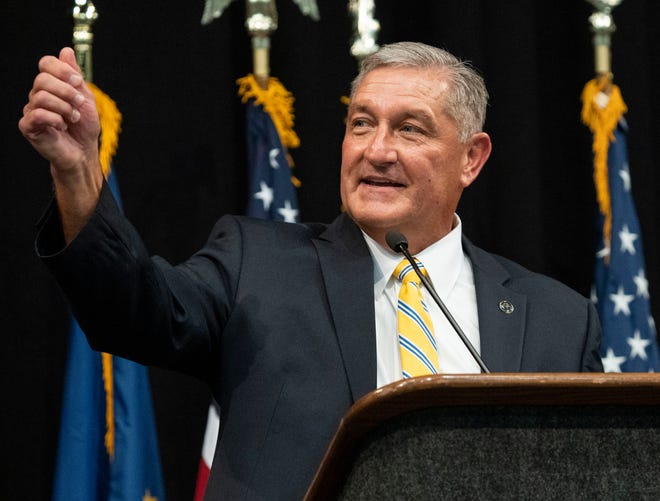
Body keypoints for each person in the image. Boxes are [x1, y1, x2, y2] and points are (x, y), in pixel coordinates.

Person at [20, 41, 602, 500]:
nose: (376, 149)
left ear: (471, 159)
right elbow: (133, 309)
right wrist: (77, 174)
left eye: (410, 128)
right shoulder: (258, 265)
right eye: (361, 123)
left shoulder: (559, 320)